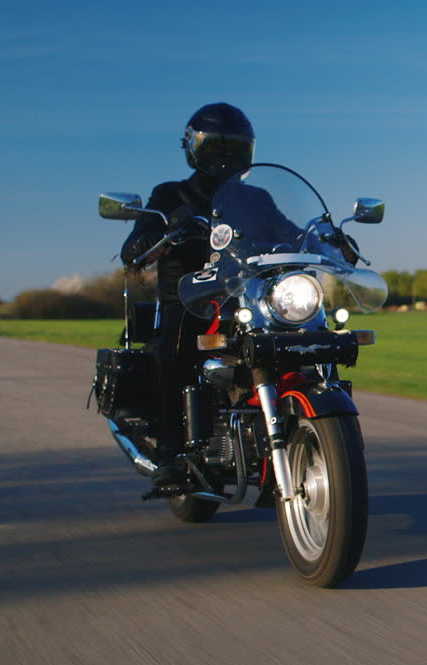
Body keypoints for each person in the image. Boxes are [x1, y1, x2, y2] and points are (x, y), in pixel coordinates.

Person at [120, 102, 255, 490]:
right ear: (195, 148)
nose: (226, 156)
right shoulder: (169, 194)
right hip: (189, 302)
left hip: (246, 302)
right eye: (217, 146)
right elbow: (134, 250)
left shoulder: (256, 199)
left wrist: (329, 240)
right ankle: (172, 453)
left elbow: (290, 230)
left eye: (236, 148)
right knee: (173, 349)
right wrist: (162, 236)